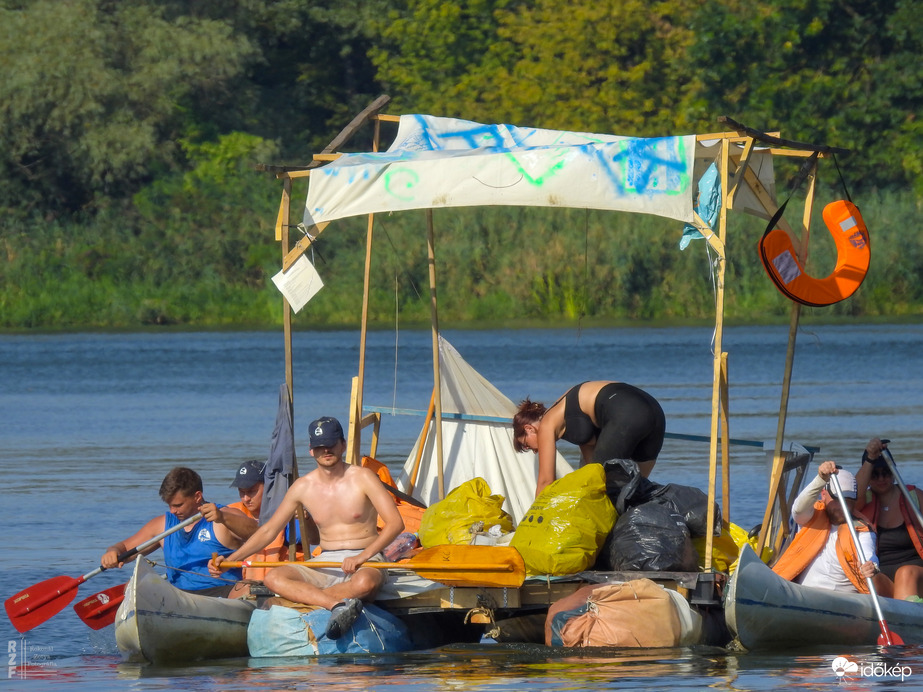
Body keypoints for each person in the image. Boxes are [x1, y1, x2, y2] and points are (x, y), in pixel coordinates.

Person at [210, 416, 404, 640]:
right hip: (326, 559)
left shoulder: (363, 477)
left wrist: (363, 556)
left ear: (342, 445)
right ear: (311, 451)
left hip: (365, 557)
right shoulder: (303, 486)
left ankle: (298, 602)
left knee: (364, 583)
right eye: (320, 447)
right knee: (274, 578)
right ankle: (335, 605)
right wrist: (230, 560)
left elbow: (395, 524)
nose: (326, 451)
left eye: (331, 445)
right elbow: (268, 530)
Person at [101, 466, 258, 597]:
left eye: (178, 505)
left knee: (247, 588)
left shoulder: (223, 516)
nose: (173, 511)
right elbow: (124, 548)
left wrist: (222, 517)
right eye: (169, 505)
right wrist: (113, 551)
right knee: (133, 585)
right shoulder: (163, 524)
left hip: (221, 593)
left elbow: (256, 533)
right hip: (179, 597)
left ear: (197, 496)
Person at [512, 380, 666, 496]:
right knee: (636, 491)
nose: (533, 451)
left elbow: (546, 482)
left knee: (602, 490)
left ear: (529, 428)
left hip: (626, 412)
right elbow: (590, 467)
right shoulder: (571, 419)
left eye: (526, 445)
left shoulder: (547, 423)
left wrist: (534, 520)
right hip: (654, 411)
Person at [772, 461, 883, 593]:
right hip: (803, 593)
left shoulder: (862, 529)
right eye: (837, 500)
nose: (843, 507)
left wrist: (871, 565)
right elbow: (798, 509)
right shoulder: (810, 515)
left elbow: (868, 554)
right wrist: (821, 479)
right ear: (823, 495)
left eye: (848, 502)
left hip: (842, 599)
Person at [855, 437, 923, 600]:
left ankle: (906, 620)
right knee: (866, 577)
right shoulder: (864, 501)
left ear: (893, 471)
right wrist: (870, 458)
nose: (881, 478)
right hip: (883, 576)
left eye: (886, 472)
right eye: (875, 474)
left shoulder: (914, 496)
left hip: (916, 573)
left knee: (905, 573)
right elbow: (852, 498)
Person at [227, 459, 304, 583]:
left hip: (282, 583)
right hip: (243, 586)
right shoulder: (231, 513)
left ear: (268, 487)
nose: (246, 498)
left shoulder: (287, 513)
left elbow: (313, 539)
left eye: (252, 491)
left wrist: (306, 518)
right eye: (242, 492)